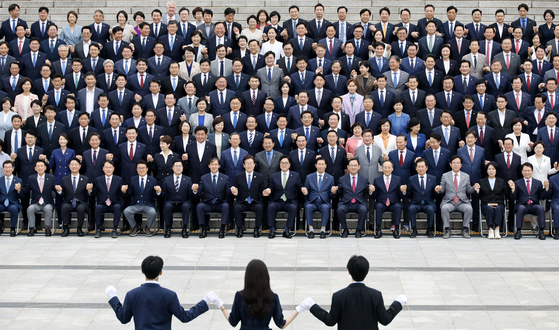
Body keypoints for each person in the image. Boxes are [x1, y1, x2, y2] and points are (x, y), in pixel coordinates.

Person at [106, 255, 220, 329]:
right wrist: (205, 301)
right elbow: (185, 317)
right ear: (160, 272)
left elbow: (124, 318)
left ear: (142, 271)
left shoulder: (132, 295)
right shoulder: (169, 295)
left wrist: (113, 298)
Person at [309, 255, 406, 329]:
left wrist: (312, 306)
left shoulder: (338, 296)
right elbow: (385, 320)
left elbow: (330, 321)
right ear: (367, 271)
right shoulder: (375, 295)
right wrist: (397, 303)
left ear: (349, 271)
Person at [218, 259, 307, 328]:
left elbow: (233, 321)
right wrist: (298, 311)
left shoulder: (240, 296)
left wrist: (222, 307)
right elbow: (281, 324)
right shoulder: (272, 298)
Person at [435, 155, 476, 239]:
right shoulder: (445, 176)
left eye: (458, 163)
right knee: (444, 208)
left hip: (462, 202)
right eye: (454, 163)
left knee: (469, 209)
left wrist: (474, 188)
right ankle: (447, 229)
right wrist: (439, 189)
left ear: (461, 165)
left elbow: (468, 190)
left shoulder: (466, 176)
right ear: (450, 164)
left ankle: (465, 228)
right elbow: (442, 190)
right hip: (449, 201)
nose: (456, 165)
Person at [335, 158, 374, 238]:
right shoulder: (342, 179)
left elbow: (368, 191)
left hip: (359, 203)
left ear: (359, 167)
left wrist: (371, 190)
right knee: (340, 209)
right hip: (346, 203)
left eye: (355, 165)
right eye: (351, 165)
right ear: (348, 167)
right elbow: (338, 192)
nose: (353, 167)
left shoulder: (364, 179)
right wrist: (334, 191)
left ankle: (359, 230)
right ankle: (345, 229)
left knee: (363, 209)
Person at [510, 162, 549, 240]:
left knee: (540, 208)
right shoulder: (517, 183)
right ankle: (518, 231)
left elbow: (542, 197)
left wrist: (546, 188)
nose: (526, 172)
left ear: (532, 171)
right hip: (522, 205)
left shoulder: (538, 183)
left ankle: (541, 231)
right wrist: (513, 190)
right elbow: (512, 198)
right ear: (521, 172)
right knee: (521, 208)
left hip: (533, 205)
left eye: (528, 170)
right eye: (525, 171)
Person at [266, 155, 301, 238]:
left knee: (293, 208)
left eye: (286, 163)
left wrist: (303, 189)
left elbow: (299, 186)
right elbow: (271, 186)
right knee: (270, 207)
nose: (284, 165)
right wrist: (268, 190)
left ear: (289, 164)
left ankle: (287, 230)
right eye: (282, 163)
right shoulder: (275, 176)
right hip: (277, 200)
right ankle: (272, 230)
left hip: (289, 201)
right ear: (279, 164)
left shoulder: (295, 175)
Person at [231, 155, 266, 238]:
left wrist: (265, 192)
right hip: (243, 201)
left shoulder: (259, 176)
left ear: (254, 165)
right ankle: (239, 228)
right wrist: (235, 191)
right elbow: (236, 189)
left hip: (254, 201)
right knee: (236, 208)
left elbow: (262, 190)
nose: (249, 165)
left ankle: (257, 228)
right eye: (247, 163)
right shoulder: (239, 176)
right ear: (244, 165)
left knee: (260, 208)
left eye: (251, 163)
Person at [122, 160, 160, 237]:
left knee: (152, 212)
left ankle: (147, 228)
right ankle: (135, 227)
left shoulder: (152, 180)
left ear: (147, 169)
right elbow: (130, 194)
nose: (141, 170)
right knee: (126, 211)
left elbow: (154, 195)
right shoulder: (133, 179)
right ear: (136, 169)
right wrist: (125, 191)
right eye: (139, 168)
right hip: (136, 204)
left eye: (143, 168)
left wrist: (158, 191)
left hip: (147, 204)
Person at [197, 157, 230, 238]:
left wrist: (233, 191)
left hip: (219, 203)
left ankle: (222, 229)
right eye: (212, 165)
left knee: (226, 206)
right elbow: (199, 192)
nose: (214, 166)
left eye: (216, 164)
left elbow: (228, 192)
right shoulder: (204, 178)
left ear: (219, 166)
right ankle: (203, 229)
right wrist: (195, 190)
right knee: (199, 206)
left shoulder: (225, 178)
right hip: (208, 204)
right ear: (209, 166)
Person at [161, 159, 195, 238]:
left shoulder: (188, 179)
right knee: (167, 206)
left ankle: (184, 228)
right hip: (171, 201)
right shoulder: (167, 179)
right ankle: (168, 228)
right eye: (176, 166)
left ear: (182, 168)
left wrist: (194, 190)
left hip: (184, 201)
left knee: (186, 206)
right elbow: (164, 193)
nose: (178, 168)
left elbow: (190, 193)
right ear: (172, 168)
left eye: (180, 166)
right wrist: (159, 191)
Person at [302, 157, 334, 239]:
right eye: (319, 164)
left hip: (324, 202)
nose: (321, 166)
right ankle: (311, 230)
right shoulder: (309, 177)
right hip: (312, 201)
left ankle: (323, 230)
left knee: (326, 207)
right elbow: (306, 191)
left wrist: (333, 192)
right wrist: (305, 192)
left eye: (323, 164)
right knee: (308, 207)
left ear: (326, 166)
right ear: (316, 165)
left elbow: (331, 195)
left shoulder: (330, 178)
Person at [59, 158, 92, 237]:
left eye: (76, 165)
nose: (74, 166)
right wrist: (60, 191)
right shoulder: (65, 179)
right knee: (64, 207)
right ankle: (66, 228)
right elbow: (63, 194)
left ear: (80, 166)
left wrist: (89, 190)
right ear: (69, 166)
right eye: (72, 165)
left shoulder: (85, 179)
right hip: (69, 201)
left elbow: (88, 195)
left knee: (81, 208)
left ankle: (79, 228)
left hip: (80, 202)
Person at [475, 162, 509, 239]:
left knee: (499, 209)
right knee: (489, 209)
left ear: (496, 170)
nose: (491, 171)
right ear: (486, 171)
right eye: (489, 169)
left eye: (493, 169)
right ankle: (490, 229)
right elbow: (478, 196)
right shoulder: (482, 181)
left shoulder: (501, 181)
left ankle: (497, 229)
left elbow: (506, 193)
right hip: (486, 204)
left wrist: (510, 187)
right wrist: (477, 190)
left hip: (499, 204)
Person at [25, 159, 57, 236]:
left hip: (47, 202)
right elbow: (26, 190)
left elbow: (55, 189)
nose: (40, 168)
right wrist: (19, 189)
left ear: (45, 167)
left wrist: (58, 189)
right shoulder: (31, 178)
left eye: (41, 166)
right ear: (35, 168)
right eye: (38, 166)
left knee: (48, 209)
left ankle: (47, 228)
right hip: (36, 202)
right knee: (30, 209)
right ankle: (32, 228)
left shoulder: (51, 177)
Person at [93, 160, 123, 238]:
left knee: (117, 207)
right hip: (103, 204)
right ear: (103, 169)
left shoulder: (118, 179)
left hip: (114, 203)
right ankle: (98, 229)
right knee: (98, 208)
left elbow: (122, 194)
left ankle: (114, 229)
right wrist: (90, 190)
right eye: (106, 167)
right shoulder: (98, 179)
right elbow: (95, 193)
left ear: (113, 168)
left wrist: (124, 191)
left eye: (110, 167)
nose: (108, 169)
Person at [0, 160, 23, 237]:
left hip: (13, 203)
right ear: (3, 169)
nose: (7, 169)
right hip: (2, 203)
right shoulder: (0, 180)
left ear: (13, 168)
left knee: (14, 209)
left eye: (9, 167)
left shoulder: (18, 180)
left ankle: (12, 229)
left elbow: (22, 196)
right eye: (6, 167)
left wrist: (19, 190)